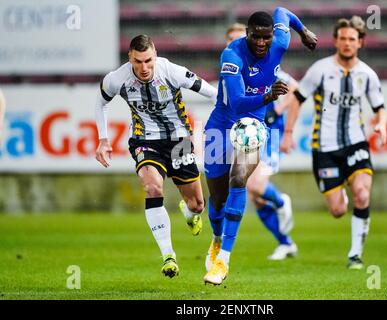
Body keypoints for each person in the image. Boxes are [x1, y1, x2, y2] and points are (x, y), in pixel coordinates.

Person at [203, 7, 317, 285]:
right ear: (248, 34)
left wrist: (303, 32)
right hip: (220, 125)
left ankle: (223, 261)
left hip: (251, 126)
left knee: (239, 178)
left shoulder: (280, 40)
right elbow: (238, 101)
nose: (262, 43)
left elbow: (282, 12)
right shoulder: (231, 55)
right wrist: (268, 96)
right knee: (217, 200)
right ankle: (217, 239)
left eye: (266, 37)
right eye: (256, 37)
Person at [94, 35, 217, 278]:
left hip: (179, 140)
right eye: (138, 62)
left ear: (156, 55)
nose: (144, 68)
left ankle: (190, 214)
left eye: (148, 60)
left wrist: (219, 125)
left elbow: (213, 95)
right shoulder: (117, 79)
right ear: (130, 57)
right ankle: (168, 255)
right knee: (153, 188)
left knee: (197, 205)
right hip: (144, 140)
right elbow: (100, 103)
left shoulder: (172, 71)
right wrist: (103, 139)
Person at [281, 16, 387, 270]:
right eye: (343, 39)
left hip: (356, 143)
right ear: (336, 41)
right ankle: (343, 189)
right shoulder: (320, 70)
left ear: (360, 42)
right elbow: (297, 98)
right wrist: (288, 132)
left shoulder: (368, 75)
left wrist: (381, 123)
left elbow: (380, 107)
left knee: (362, 194)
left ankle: (355, 255)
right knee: (338, 210)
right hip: (324, 148)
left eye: (352, 39)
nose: (347, 43)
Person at [225, 23, 299, 260]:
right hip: (243, 135)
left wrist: (278, 112)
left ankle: (280, 201)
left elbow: (295, 89)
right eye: (232, 41)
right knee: (256, 197)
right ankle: (286, 243)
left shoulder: (266, 65)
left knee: (254, 185)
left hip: (267, 134)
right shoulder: (230, 68)